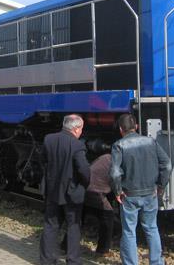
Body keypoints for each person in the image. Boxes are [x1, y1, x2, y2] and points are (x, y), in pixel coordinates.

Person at [110, 114, 171, 265]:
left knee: (129, 232)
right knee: (151, 228)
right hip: (151, 192)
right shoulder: (151, 141)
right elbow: (167, 165)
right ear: (136, 126)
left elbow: (115, 172)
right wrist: (161, 186)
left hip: (129, 195)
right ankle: (156, 262)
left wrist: (117, 191)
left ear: (120, 129)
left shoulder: (119, 145)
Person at [39, 114, 91, 265]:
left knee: (50, 225)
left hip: (52, 190)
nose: (81, 132)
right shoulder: (77, 145)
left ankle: (47, 260)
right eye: (81, 129)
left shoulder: (49, 139)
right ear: (75, 129)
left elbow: (43, 160)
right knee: (73, 226)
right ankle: (73, 260)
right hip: (72, 193)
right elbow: (84, 171)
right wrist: (84, 185)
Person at [84, 152, 114, 256]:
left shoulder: (104, 157)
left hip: (85, 189)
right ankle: (103, 250)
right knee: (108, 218)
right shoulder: (116, 161)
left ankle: (65, 246)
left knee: (78, 220)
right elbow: (116, 180)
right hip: (97, 192)